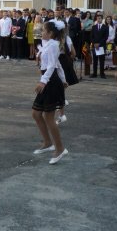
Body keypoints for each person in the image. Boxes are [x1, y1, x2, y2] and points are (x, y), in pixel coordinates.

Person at [31, 21, 69, 164]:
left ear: (50, 33)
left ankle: (60, 149)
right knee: (36, 114)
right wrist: (63, 79)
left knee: (49, 117)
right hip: (48, 80)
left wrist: (43, 81)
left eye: (43, 30)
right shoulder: (47, 43)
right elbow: (58, 64)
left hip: (50, 82)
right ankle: (48, 143)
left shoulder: (53, 45)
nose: (41, 32)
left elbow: (53, 65)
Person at [90, 14, 107, 78]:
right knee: (95, 60)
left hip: (101, 45)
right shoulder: (94, 27)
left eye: (100, 18)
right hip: (95, 45)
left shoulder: (105, 27)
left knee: (102, 60)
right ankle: (94, 73)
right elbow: (91, 36)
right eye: (97, 18)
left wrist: (99, 44)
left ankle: (102, 73)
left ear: (102, 19)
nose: (98, 19)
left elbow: (105, 37)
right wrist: (94, 43)